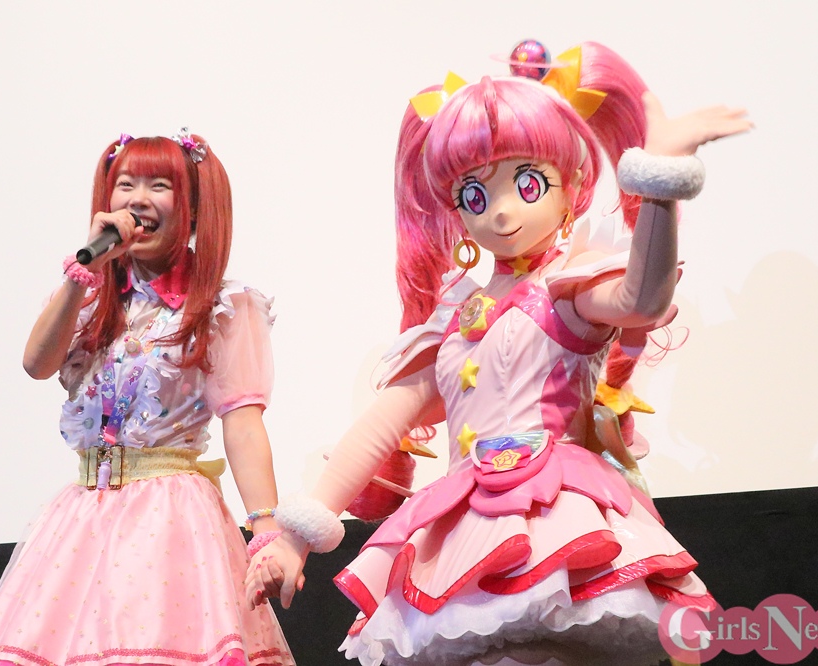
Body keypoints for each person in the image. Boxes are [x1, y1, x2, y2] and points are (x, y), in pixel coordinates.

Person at [246, 42, 751, 665]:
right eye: (474, 196)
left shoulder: (569, 288)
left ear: (573, 187)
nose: (503, 210)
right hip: (465, 525)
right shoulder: (452, 322)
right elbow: (378, 427)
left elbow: (643, 298)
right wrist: (295, 538)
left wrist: (660, 183)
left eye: (527, 182)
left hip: (558, 514)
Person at [0, 131, 294, 666]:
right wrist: (82, 274)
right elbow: (37, 364)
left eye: (159, 186)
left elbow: (243, 422)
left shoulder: (223, 305)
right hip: (81, 518)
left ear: (194, 208)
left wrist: (267, 530)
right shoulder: (88, 297)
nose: (137, 199)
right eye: (126, 185)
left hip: (169, 517)